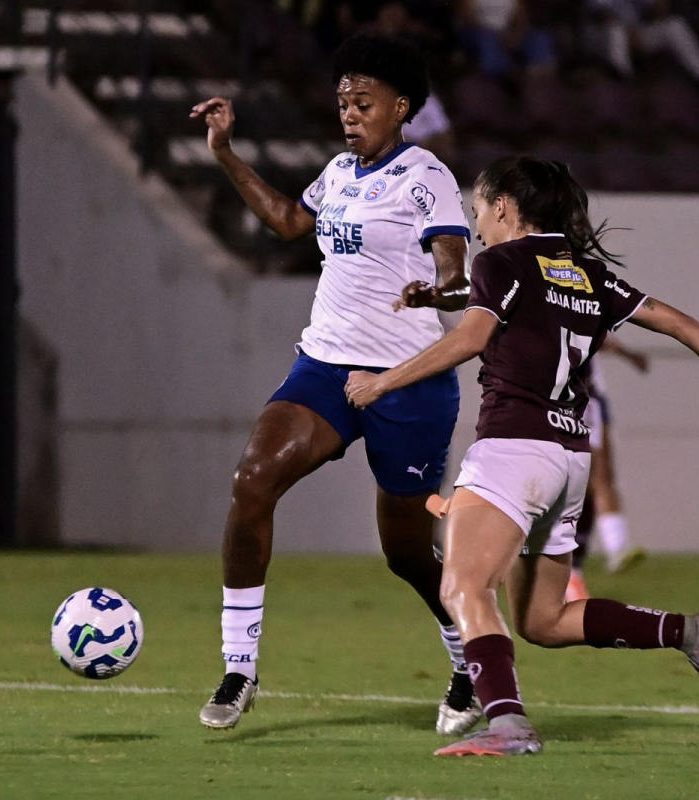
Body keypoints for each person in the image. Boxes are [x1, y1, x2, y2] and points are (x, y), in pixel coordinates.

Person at [345, 156, 699, 755]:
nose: (477, 224)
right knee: (543, 620)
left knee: (462, 588)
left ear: (505, 204)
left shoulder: (500, 260)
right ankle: (694, 632)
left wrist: (381, 382)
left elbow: (475, 338)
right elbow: (676, 321)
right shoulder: (585, 273)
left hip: (514, 448)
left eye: (478, 209)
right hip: (570, 458)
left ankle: (506, 725)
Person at [189, 32, 483, 736]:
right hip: (323, 365)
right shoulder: (339, 172)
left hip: (408, 379)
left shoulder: (426, 175)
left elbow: (454, 265)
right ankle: (238, 665)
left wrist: (438, 294)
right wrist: (226, 154)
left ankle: (472, 660)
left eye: (364, 101)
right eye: (343, 101)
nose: (349, 112)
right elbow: (292, 221)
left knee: (406, 552)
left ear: (400, 106)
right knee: (252, 481)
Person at [565, 340, 650, 603]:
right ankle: (614, 547)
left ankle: (576, 569)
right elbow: (594, 332)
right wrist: (630, 354)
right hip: (577, 397)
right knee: (595, 477)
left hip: (576, 397)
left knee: (590, 481)